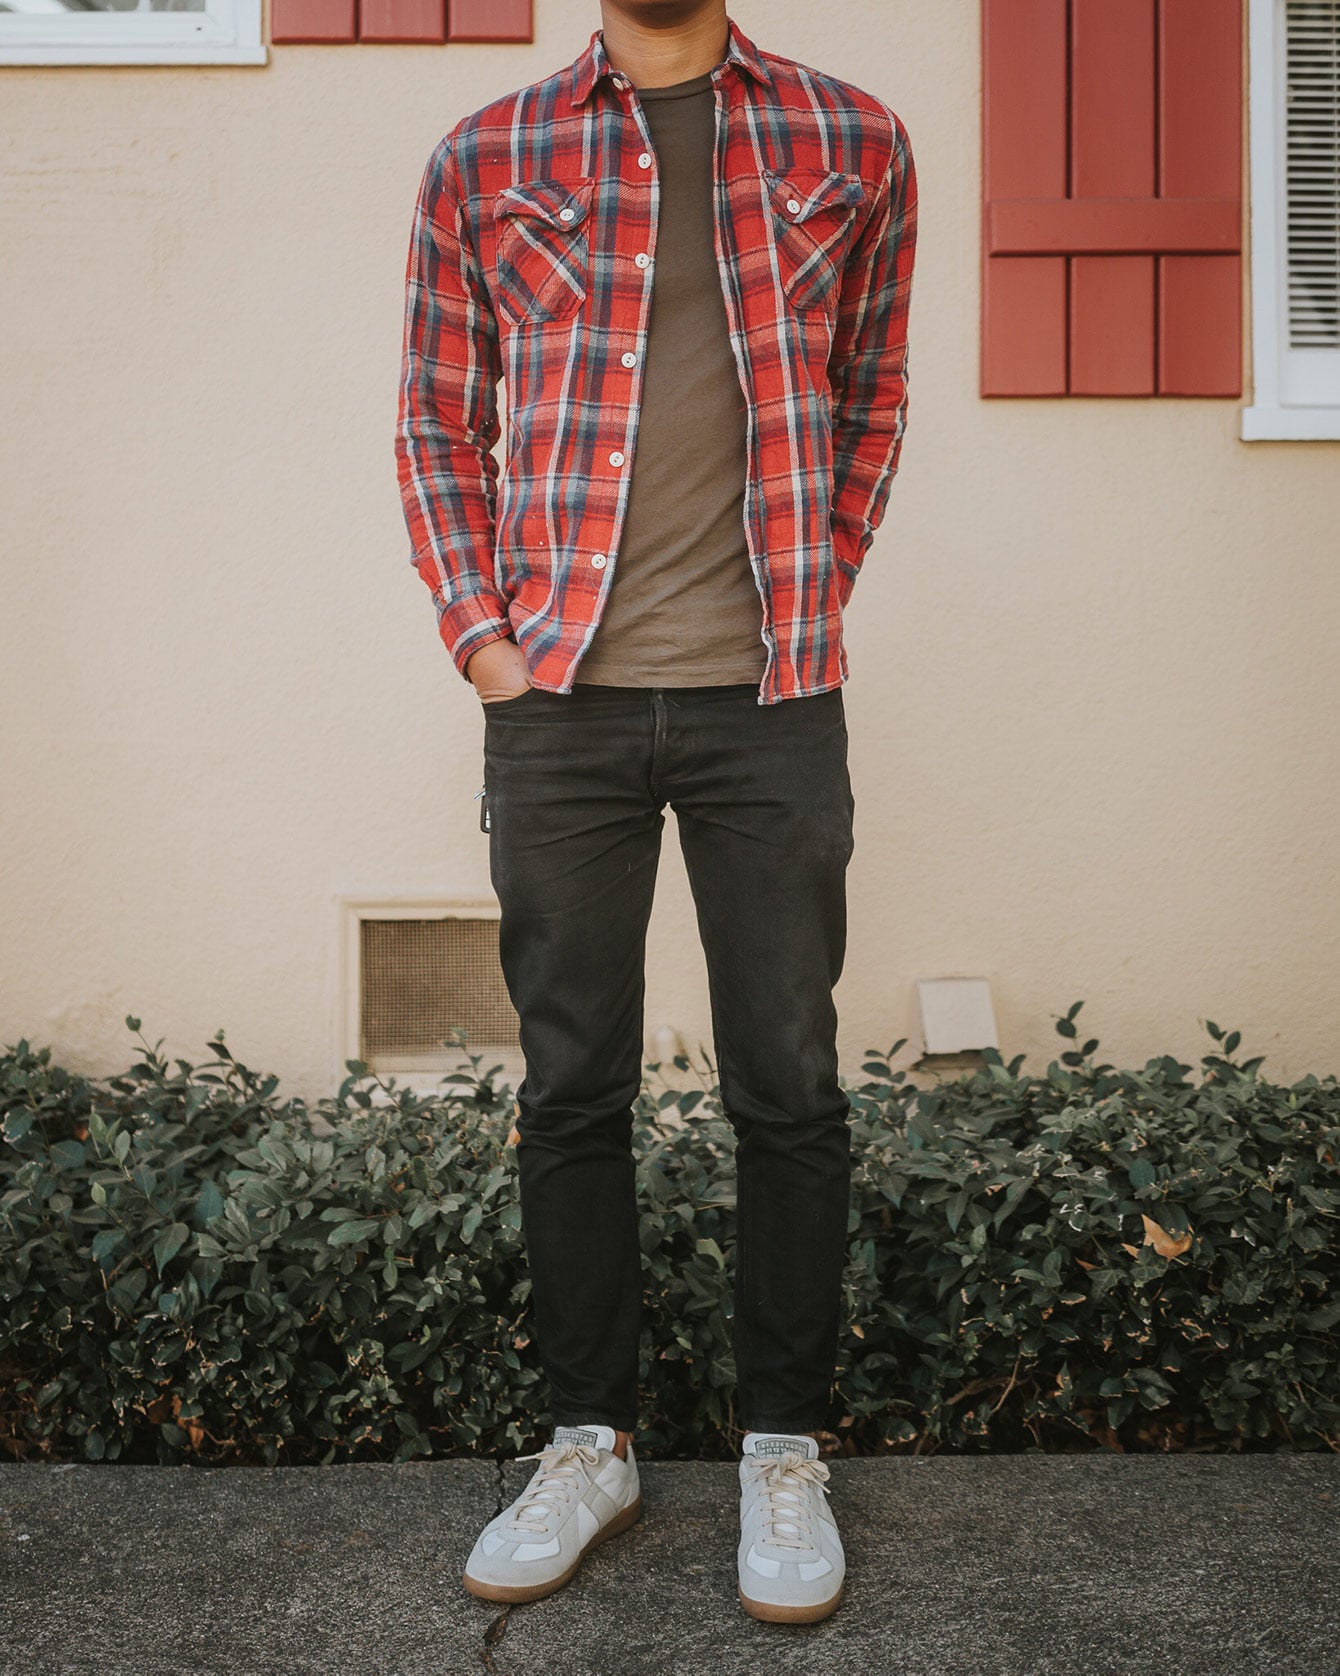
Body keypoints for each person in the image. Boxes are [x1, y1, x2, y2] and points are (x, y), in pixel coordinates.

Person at [395, 0, 917, 1625]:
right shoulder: (488, 153)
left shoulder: (855, 138)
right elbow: (434, 418)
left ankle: (780, 1448)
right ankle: (588, 1443)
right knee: (570, 1086)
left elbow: (873, 391)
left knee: (790, 1084)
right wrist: (486, 644)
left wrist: (811, 584)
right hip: (556, 708)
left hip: (772, 702)